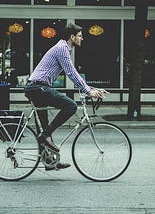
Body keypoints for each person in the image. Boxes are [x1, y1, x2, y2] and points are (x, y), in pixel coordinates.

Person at [24, 23, 107, 170]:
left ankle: (50, 161)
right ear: (72, 37)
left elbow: (73, 73)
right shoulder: (62, 48)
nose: (82, 38)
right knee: (71, 106)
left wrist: (93, 89)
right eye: (80, 36)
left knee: (44, 127)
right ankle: (45, 136)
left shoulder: (63, 48)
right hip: (38, 88)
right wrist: (87, 90)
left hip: (38, 87)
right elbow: (71, 72)